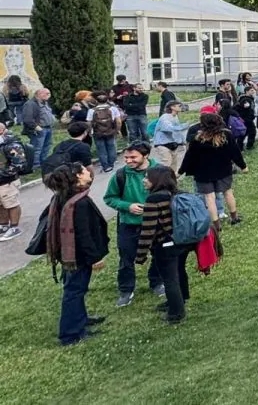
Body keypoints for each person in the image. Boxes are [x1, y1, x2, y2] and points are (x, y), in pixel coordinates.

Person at [45, 162, 109, 345]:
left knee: (76, 289)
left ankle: (80, 319)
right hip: (78, 256)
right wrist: (95, 258)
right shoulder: (79, 202)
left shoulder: (63, 196)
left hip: (68, 254)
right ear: (78, 176)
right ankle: (70, 334)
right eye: (84, 170)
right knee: (74, 291)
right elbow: (83, 234)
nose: (89, 172)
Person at [102, 142, 164, 307]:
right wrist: (127, 206)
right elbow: (109, 198)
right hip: (128, 224)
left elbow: (170, 193)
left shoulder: (160, 171)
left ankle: (157, 282)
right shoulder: (121, 175)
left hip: (155, 223)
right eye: (126, 157)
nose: (129, 161)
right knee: (126, 258)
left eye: (133, 157)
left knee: (159, 254)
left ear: (146, 155)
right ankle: (126, 289)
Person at [135, 166, 196, 324]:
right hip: (181, 241)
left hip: (164, 245)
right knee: (180, 271)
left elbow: (148, 230)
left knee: (169, 279)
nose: (144, 180)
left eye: (147, 177)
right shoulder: (176, 194)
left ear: (156, 180)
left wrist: (140, 255)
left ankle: (176, 312)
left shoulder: (153, 199)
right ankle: (182, 297)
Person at [180, 113, 246, 225]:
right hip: (223, 170)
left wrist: (181, 171)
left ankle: (216, 225)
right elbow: (235, 152)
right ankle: (234, 218)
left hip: (203, 173)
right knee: (228, 192)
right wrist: (243, 166)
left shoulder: (198, 139)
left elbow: (189, 157)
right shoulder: (226, 135)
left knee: (209, 198)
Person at [149, 100, 190, 173]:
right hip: (162, 144)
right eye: (179, 106)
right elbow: (169, 128)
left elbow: (177, 132)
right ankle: (158, 177)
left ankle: (172, 179)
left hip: (172, 144)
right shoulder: (165, 117)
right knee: (166, 163)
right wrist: (184, 126)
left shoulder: (175, 117)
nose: (181, 107)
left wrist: (182, 141)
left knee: (174, 165)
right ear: (172, 107)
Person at [22, 88, 55, 172]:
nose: (49, 95)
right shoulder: (30, 104)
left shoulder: (45, 103)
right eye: (46, 93)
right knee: (37, 148)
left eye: (49, 93)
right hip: (39, 129)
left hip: (48, 128)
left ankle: (42, 162)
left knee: (46, 146)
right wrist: (37, 128)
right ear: (39, 94)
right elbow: (27, 119)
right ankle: (35, 165)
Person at [0, 123, 23, 242]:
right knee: (1, 205)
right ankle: (3, 225)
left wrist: (3, 175)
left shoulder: (11, 144)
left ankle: (14, 227)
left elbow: (19, 163)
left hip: (7, 181)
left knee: (11, 204)